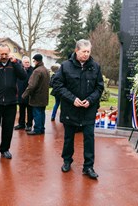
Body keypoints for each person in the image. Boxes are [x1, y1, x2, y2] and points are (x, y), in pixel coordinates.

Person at [53, 39, 104, 179]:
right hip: (70, 109)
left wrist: (90, 100)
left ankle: (88, 167)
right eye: (83, 52)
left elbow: (99, 87)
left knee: (89, 138)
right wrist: (72, 99)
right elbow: (57, 84)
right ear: (77, 51)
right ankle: (67, 161)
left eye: (88, 52)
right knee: (69, 138)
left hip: (88, 110)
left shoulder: (95, 66)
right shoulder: (65, 66)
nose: (86, 55)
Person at [22, 54, 50, 135]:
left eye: (33, 61)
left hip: (37, 96)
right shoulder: (45, 70)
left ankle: (37, 129)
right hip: (44, 96)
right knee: (42, 112)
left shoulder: (37, 71)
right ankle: (41, 128)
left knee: (37, 113)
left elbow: (32, 85)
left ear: (36, 61)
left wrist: (24, 95)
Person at [14, 56, 34, 131]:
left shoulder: (33, 70)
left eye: (28, 62)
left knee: (30, 111)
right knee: (21, 110)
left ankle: (29, 124)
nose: (27, 64)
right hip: (20, 93)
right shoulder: (19, 70)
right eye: (25, 62)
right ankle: (21, 124)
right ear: (22, 63)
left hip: (29, 94)